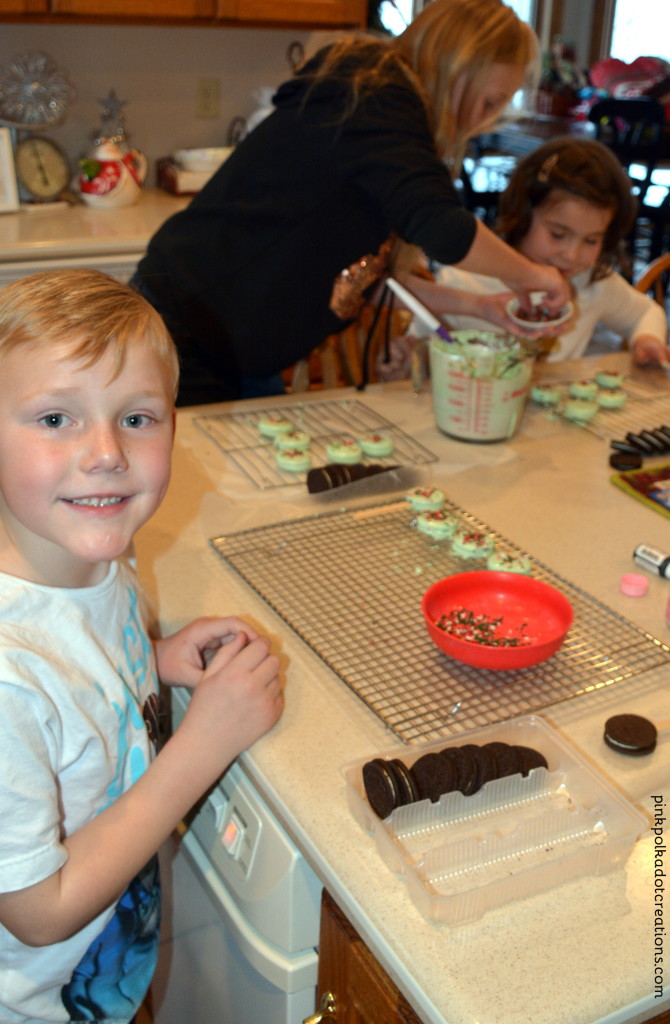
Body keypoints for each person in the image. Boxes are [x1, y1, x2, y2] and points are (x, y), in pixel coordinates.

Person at [0, 269, 284, 1024]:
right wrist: (203, 743)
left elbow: (80, 662)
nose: (105, 454)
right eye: (56, 418)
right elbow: (36, 912)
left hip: (107, 973)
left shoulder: (95, 556)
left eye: (137, 418)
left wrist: (153, 660)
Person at [132, 0, 571, 406]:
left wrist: (479, 306)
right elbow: (444, 230)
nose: (483, 121)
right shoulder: (376, 99)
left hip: (234, 348)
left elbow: (361, 281)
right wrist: (535, 276)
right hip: (185, 335)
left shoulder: (382, 123)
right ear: (452, 68)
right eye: (487, 101)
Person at [427, 135, 669, 364]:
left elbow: (646, 312)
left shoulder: (592, 282)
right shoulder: (464, 280)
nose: (571, 255)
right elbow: (420, 343)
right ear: (522, 215)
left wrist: (647, 339)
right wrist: (407, 359)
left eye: (591, 240)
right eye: (558, 234)